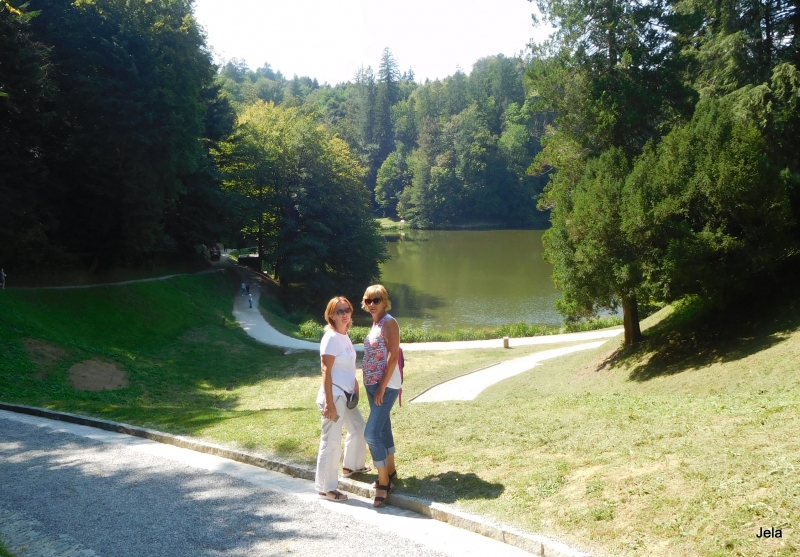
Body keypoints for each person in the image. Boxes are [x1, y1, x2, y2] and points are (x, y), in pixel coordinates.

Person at [315, 296, 369, 502]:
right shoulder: (331, 338)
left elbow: (345, 365)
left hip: (346, 395)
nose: (345, 314)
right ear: (331, 315)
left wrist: (354, 383)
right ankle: (326, 488)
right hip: (335, 397)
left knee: (359, 427)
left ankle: (351, 466)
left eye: (347, 310)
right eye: (339, 311)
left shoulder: (344, 335)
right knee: (331, 442)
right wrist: (329, 403)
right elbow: (326, 371)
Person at [361, 284, 402, 508]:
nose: (372, 304)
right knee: (383, 428)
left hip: (385, 386)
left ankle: (384, 483)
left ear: (384, 301)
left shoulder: (389, 323)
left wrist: (382, 388)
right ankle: (391, 471)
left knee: (371, 433)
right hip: (372, 384)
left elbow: (393, 357)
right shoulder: (376, 323)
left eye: (376, 300)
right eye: (368, 300)